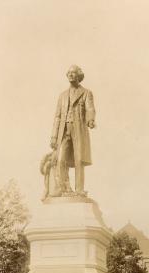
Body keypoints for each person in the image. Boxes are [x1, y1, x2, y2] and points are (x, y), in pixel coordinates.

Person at [51, 65, 96, 196]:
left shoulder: (86, 93)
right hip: (63, 131)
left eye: (73, 73)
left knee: (79, 160)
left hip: (78, 129)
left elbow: (90, 109)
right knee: (60, 160)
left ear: (79, 76)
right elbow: (57, 117)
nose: (70, 75)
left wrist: (90, 120)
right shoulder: (62, 96)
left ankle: (79, 189)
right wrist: (53, 136)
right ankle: (64, 188)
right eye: (69, 73)